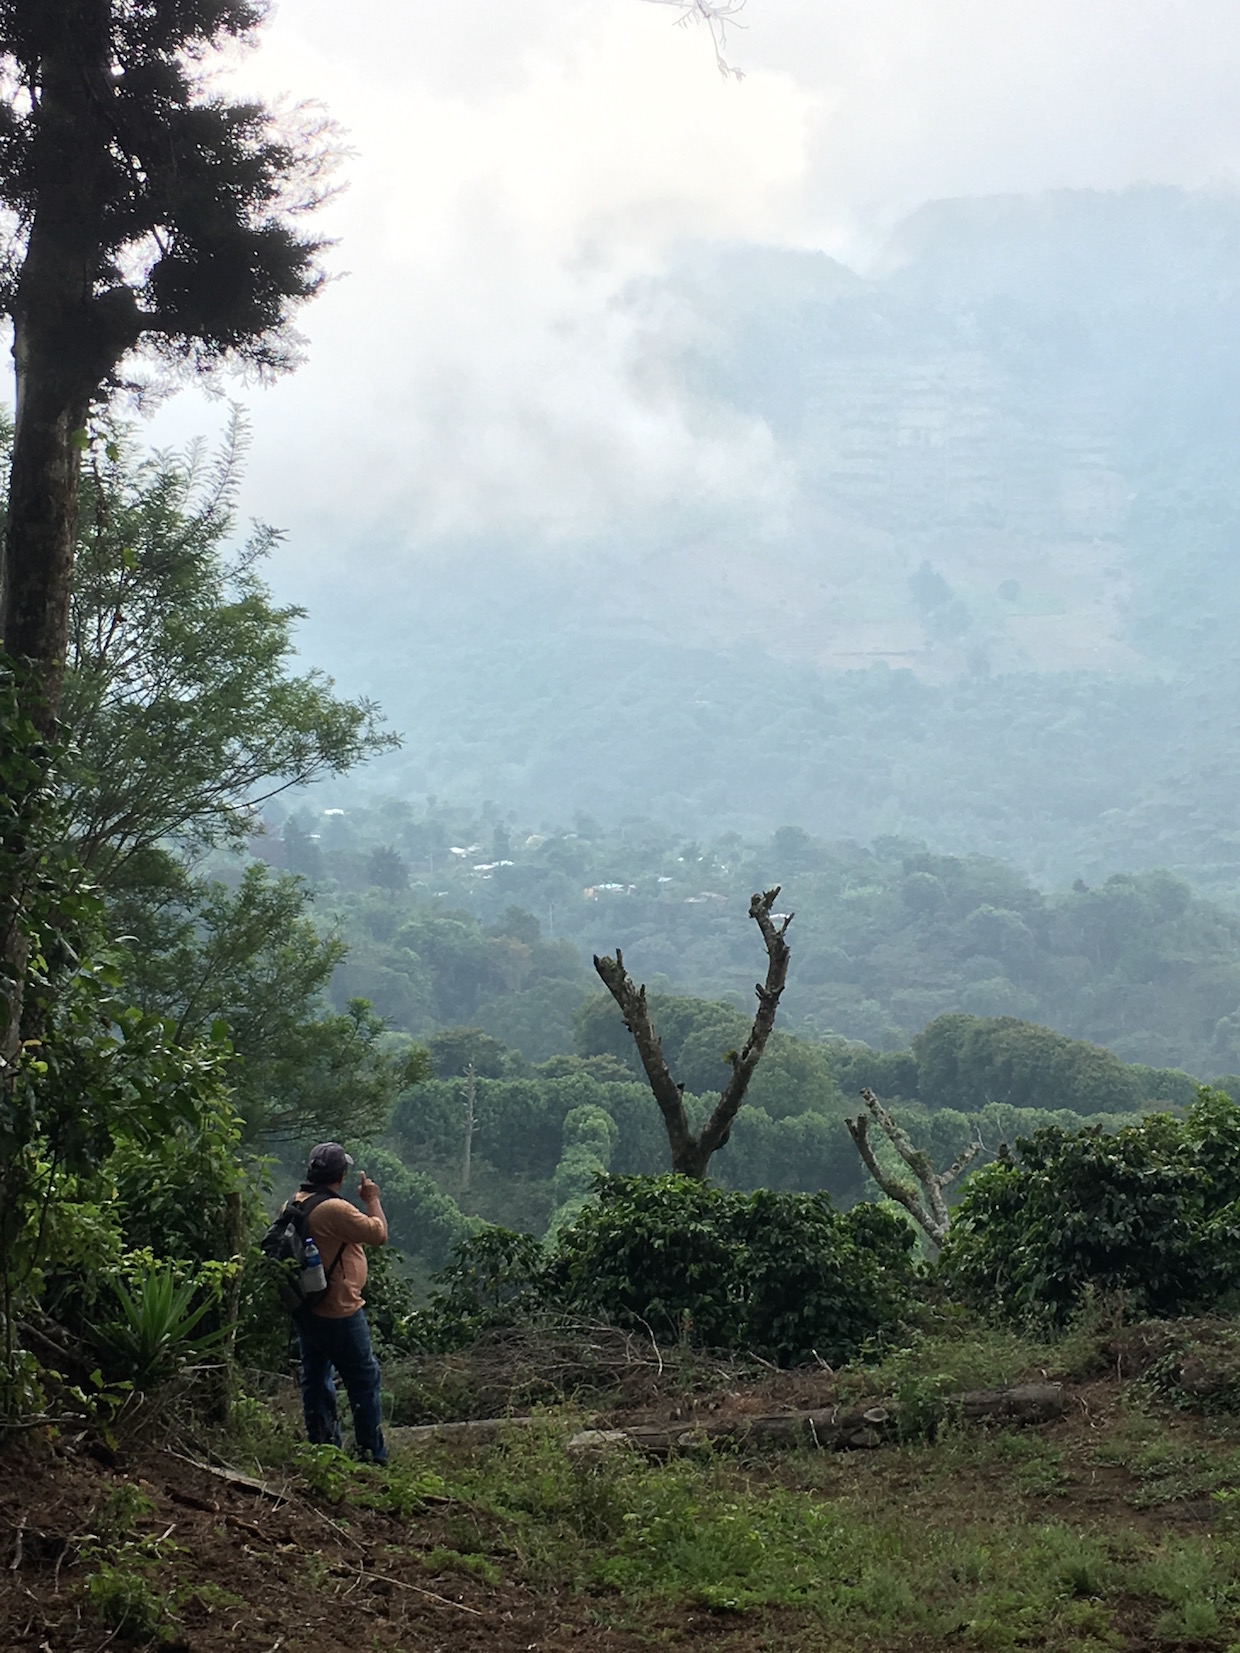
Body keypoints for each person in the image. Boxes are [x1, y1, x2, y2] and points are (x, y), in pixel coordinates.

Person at [291, 1141, 389, 1465]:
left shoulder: (296, 1202)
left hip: (307, 1307)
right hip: (340, 1310)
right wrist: (372, 1198)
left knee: (316, 1377)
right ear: (341, 1175)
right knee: (363, 1379)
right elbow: (378, 1233)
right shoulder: (335, 1209)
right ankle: (371, 1456)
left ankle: (323, 1450)